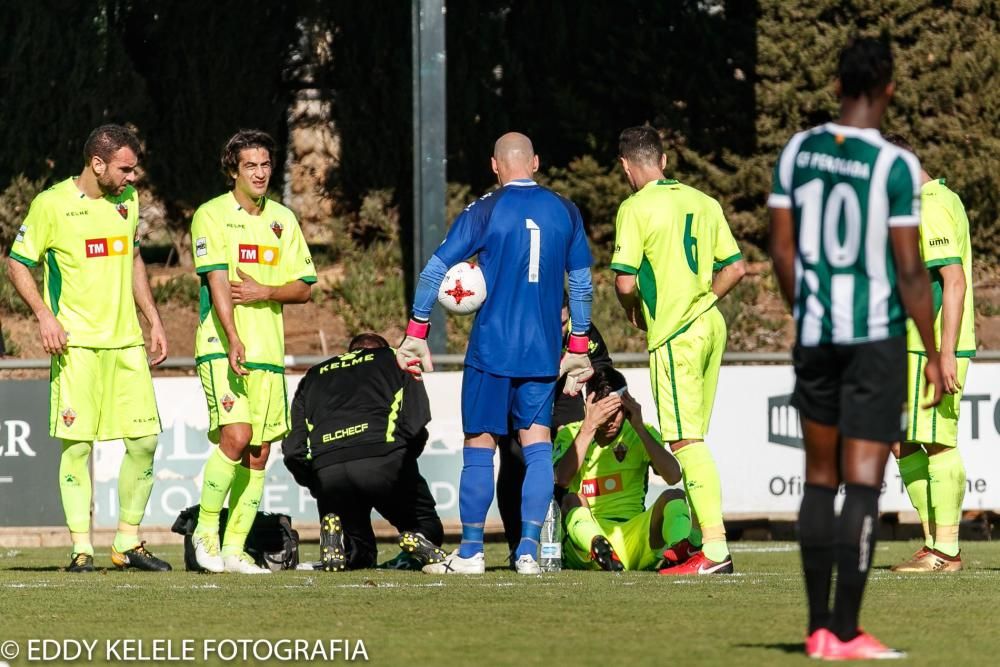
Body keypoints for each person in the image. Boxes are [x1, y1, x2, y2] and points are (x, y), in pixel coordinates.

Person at [768, 37, 943, 660]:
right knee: (863, 481)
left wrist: (806, 311)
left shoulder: (798, 149)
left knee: (818, 479)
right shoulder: (895, 166)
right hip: (873, 342)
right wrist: (935, 351)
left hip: (816, 335)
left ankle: (816, 630)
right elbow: (910, 270)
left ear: (837, 83)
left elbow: (782, 253)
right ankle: (845, 630)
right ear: (889, 89)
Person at [398, 132, 595, 575]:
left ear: (494, 166)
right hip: (543, 353)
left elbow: (434, 271)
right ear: (537, 162)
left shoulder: (484, 210)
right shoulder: (566, 210)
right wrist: (578, 346)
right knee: (538, 445)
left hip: (491, 350)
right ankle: (527, 550)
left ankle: (470, 551)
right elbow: (581, 285)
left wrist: (416, 332)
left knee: (480, 445)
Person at [6, 124, 170, 572]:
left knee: (145, 441)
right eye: (125, 169)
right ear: (97, 164)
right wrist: (44, 314)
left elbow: (134, 258)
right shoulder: (52, 204)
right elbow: (18, 263)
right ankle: (82, 548)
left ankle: (127, 544)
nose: (132, 178)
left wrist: (152, 318)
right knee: (77, 448)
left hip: (126, 345)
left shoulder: (127, 202)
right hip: (76, 347)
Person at [611, 125, 747, 575]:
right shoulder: (704, 202)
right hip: (710, 325)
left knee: (685, 440)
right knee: (695, 435)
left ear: (627, 167)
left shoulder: (635, 207)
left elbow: (625, 281)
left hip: (674, 334)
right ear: (664, 161)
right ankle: (692, 539)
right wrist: (704, 300)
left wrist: (634, 309)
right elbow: (735, 268)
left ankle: (714, 549)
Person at [188, 129, 317, 575]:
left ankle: (235, 549)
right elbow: (218, 280)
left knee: (258, 452)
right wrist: (233, 337)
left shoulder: (283, 219)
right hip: (222, 346)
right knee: (236, 436)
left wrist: (267, 289)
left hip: (268, 350)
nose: (260, 173)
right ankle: (205, 531)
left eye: (265, 165)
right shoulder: (211, 216)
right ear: (233, 170)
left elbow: (304, 287)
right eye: (250, 166)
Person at [881, 134, 975, 573]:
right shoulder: (931, 200)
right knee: (902, 443)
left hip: (933, 345)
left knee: (937, 442)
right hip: (912, 344)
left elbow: (952, 280)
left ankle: (947, 551)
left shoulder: (931, 202)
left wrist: (946, 351)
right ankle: (932, 541)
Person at [283, 333, 447, 571]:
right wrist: (402, 459)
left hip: (329, 468)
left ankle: (347, 546)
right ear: (382, 349)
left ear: (351, 351)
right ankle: (419, 538)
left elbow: (292, 449)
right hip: (383, 458)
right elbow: (415, 421)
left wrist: (316, 483)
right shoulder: (397, 358)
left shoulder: (314, 374)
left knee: (359, 552)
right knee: (425, 523)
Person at [555, 365, 696, 571]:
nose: (611, 421)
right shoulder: (571, 434)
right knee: (573, 499)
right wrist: (589, 427)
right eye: (604, 412)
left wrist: (639, 427)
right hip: (585, 544)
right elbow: (562, 479)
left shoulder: (641, 433)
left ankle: (681, 552)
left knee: (674, 496)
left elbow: (674, 475)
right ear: (590, 407)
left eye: (616, 412)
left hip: (633, 536)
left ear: (626, 406)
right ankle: (599, 547)